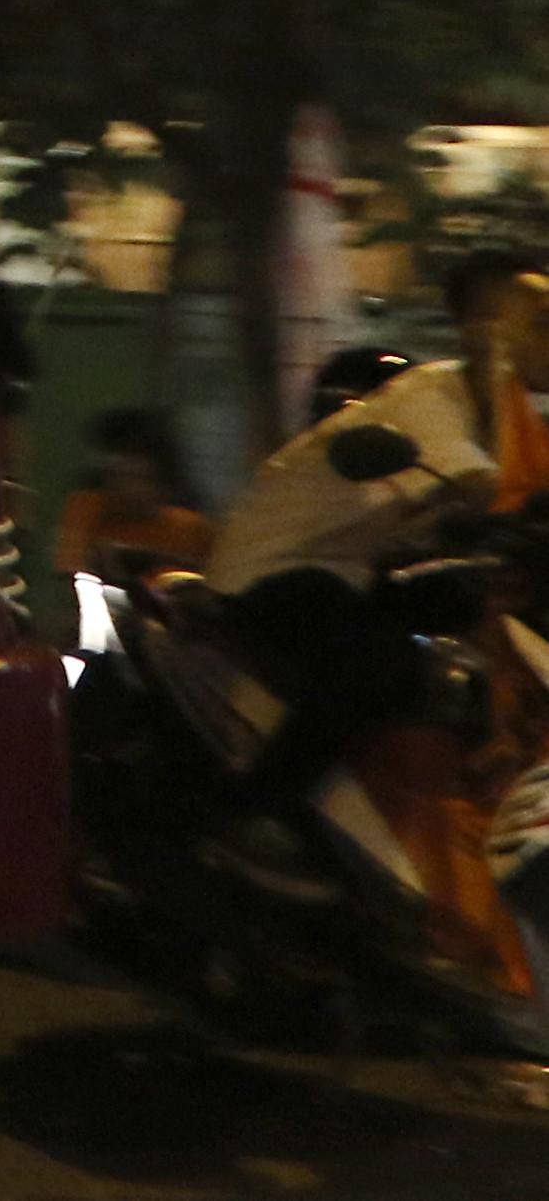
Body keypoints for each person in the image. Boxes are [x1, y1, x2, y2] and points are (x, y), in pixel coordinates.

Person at [204, 245, 549, 834]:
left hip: (355, 567)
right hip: (279, 569)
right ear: (476, 327)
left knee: (463, 637)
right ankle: (256, 820)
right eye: (532, 322)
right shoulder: (430, 398)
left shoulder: (510, 416)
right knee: (377, 669)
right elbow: (482, 487)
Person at [53, 404, 213, 577]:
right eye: (120, 476)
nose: (129, 488)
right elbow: (70, 573)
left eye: (140, 478)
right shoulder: (86, 511)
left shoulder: (190, 530)